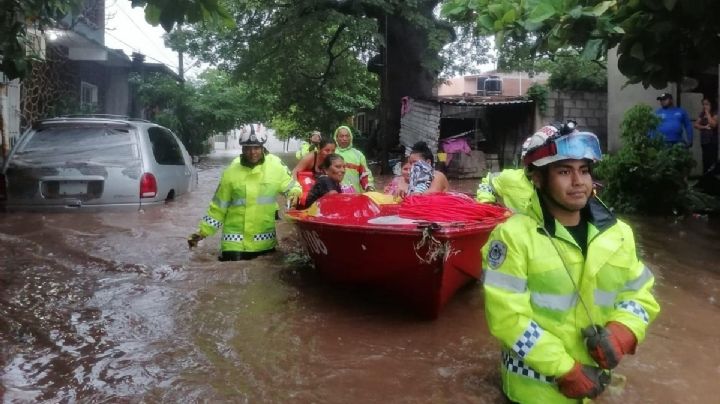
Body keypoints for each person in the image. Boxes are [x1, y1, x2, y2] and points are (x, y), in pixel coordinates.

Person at [481, 130, 660, 403]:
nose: (578, 182)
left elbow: (640, 294)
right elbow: (508, 318)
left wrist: (625, 331)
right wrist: (565, 370)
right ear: (538, 179)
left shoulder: (619, 233)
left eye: (584, 170)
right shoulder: (512, 238)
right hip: (534, 392)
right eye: (564, 172)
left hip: (594, 386)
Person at [188, 130, 301, 261]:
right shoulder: (231, 172)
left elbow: (292, 186)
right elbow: (218, 207)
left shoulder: (276, 166)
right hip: (233, 244)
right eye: (248, 148)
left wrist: (293, 195)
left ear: (262, 147)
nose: (252, 152)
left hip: (264, 242)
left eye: (256, 148)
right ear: (242, 149)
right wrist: (202, 232)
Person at [333, 125, 375, 193]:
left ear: (351, 137)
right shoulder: (331, 153)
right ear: (336, 138)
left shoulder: (358, 155)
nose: (344, 138)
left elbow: (365, 174)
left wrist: (369, 187)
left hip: (355, 196)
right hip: (335, 195)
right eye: (341, 136)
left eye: (347, 136)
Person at [693, 97, 718, 174]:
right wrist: (704, 127)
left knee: (712, 162)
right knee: (705, 161)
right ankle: (706, 180)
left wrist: (707, 113)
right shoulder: (702, 113)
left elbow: (713, 124)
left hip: (713, 141)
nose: (704, 106)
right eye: (703, 104)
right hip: (704, 141)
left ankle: (712, 180)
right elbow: (696, 124)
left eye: (707, 104)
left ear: (711, 104)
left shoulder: (716, 112)